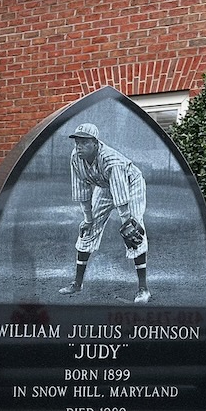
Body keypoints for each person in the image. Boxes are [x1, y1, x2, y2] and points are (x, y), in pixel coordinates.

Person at [58, 122, 151, 303]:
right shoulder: (76, 157)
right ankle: (77, 284)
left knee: (133, 233)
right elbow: (82, 190)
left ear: (95, 143)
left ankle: (143, 289)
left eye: (84, 143)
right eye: (77, 142)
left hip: (131, 183)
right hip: (105, 185)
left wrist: (127, 221)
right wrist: (88, 218)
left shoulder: (111, 160)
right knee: (88, 230)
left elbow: (121, 195)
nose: (79, 147)